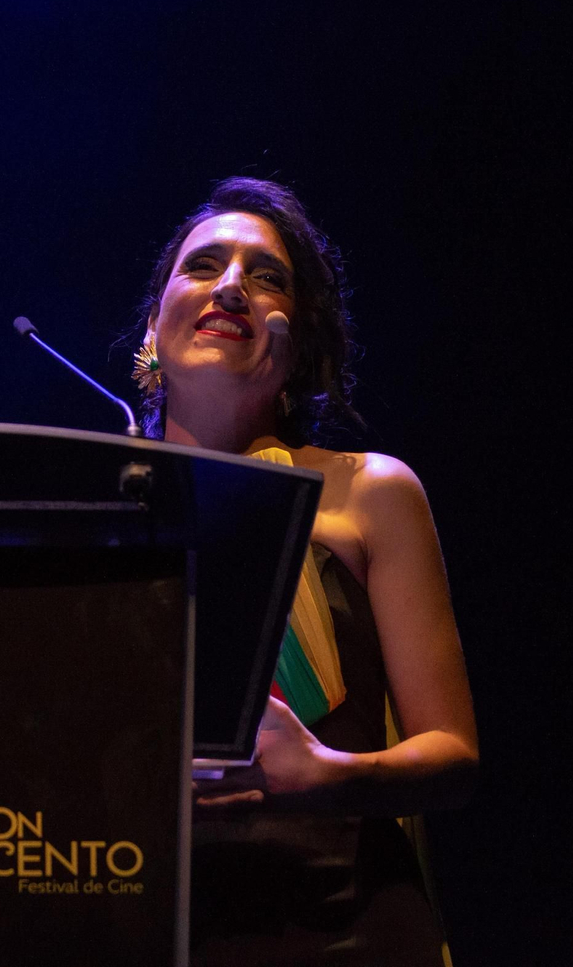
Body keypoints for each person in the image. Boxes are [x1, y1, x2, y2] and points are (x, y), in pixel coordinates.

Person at [131, 178, 478, 965]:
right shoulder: (102, 505)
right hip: (149, 913)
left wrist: (324, 776)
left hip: (347, 920)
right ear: (154, 328)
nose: (230, 287)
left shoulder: (371, 492)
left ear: (299, 340)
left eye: (266, 276)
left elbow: (454, 756)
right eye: (205, 266)